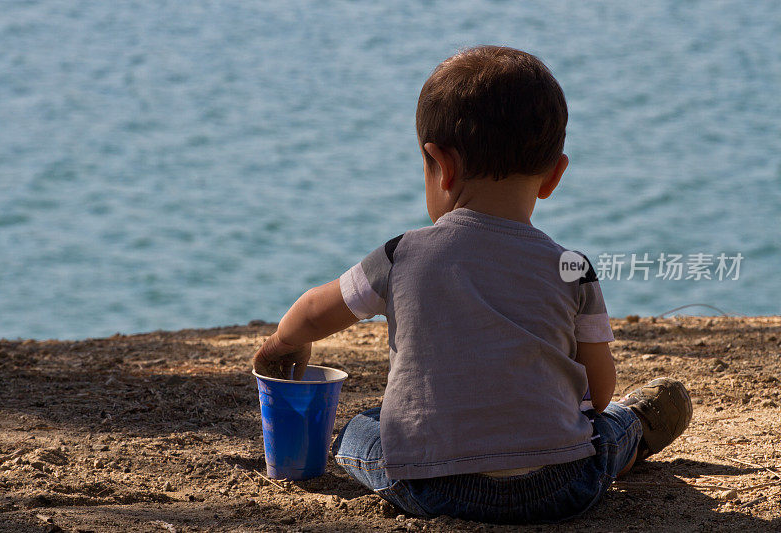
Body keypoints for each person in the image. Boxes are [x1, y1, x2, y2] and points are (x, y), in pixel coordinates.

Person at [252, 46, 692, 524]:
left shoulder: (401, 254)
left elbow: (316, 310)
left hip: (433, 487)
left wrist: (282, 343)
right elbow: (599, 391)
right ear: (553, 177)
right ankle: (634, 434)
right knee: (606, 427)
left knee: (361, 430)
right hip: (562, 486)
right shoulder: (573, 266)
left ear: (441, 165)